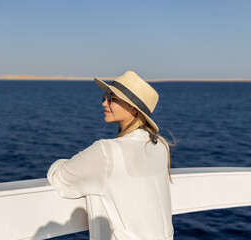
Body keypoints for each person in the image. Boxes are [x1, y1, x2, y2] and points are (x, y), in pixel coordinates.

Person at [47, 71, 174, 240]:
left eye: (113, 98)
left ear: (134, 110)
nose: (104, 103)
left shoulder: (106, 151)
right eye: (105, 96)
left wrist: (63, 163)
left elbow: (59, 177)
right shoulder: (160, 146)